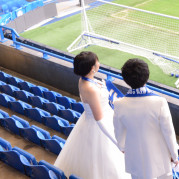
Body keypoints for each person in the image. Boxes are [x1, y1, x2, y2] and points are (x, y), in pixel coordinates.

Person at [54, 51, 131, 179]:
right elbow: (99, 120)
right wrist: (116, 142)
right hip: (100, 126)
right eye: (97, 62)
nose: (99, 63)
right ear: (92, 68)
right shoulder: (90, 89)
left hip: (92, 120)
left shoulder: (84, 80)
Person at [113, 58, 179, 179]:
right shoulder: (159, 102)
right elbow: (169, 132)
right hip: (159, 159)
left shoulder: (118, 104)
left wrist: (122, 147)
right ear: (147, 76)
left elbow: (119, 133)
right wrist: (175, 156)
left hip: (135, 157)